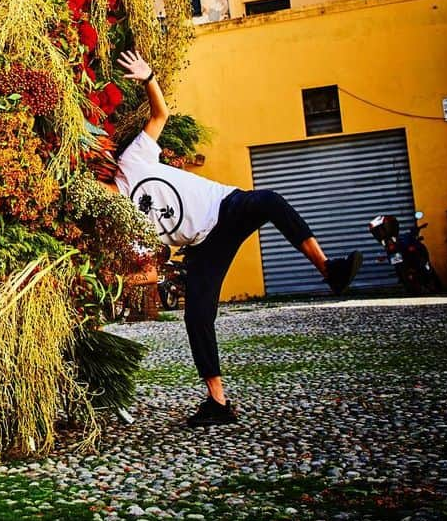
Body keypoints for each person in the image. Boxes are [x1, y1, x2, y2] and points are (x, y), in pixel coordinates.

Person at [106, 49, 362, 428]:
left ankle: (329, 269)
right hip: (202, 245)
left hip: (224, 205)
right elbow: (152, 254)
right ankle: (217, 403)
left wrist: (148, 79)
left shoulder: (131, 163)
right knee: (196, 316)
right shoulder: (115, 224)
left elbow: (160, 115)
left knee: (269, 200)